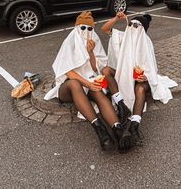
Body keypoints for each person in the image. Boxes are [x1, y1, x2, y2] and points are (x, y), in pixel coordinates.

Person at [44, 11, 133, 153]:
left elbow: (95, 68)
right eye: (83, 28)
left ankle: (118, 130)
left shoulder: (94, 40)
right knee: (75, 84)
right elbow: (68, 71)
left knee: (97, 92)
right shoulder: (70, 41)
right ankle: (100, 130)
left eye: (90, 28)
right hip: (69, 87)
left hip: (88, 81)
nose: (86, 32)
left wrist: (90, 52)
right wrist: (88, 83)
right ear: (76, 27)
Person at [101, 12, 178, 146]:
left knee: (140, 88)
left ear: (143, 30)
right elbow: (105, 29)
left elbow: (152, 69)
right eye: (131, 24)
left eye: (137, 26)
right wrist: (116, 18)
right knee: (106, 70)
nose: (133, 28)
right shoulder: (122, 36)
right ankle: (121, 104)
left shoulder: (146, 43)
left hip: (139, 81)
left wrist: (145, 77)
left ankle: (135, 125)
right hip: (122, 75)